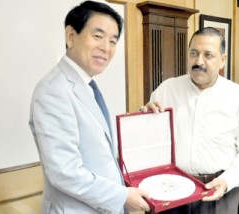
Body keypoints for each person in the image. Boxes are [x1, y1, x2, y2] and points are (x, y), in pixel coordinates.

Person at [29, 1, 149, 213]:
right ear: (71, 36)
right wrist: (122, 196)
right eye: (98, 36)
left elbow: (99, 150)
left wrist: (147, 120)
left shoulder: (87, 85)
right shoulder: (53, 90)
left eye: (113, 41)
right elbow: (65, 172)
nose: (106, 48)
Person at [144, 27, 239, 214]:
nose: (199, 61)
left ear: (222, 60)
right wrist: (144, 119)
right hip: (171, 187)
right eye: (194, 53)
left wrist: (227, 180)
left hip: (218, 190)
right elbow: (149, 140)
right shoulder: (167, 89)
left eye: (208, 55)